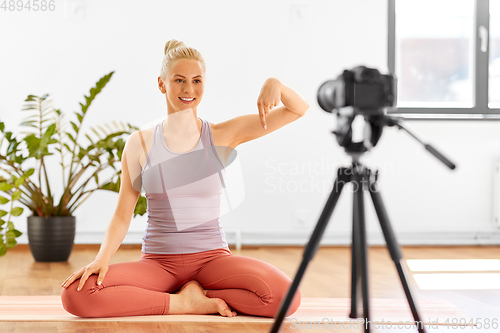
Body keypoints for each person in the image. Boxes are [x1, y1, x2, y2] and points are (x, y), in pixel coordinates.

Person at [60, 39, 309, 318]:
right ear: (161, 84)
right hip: (158, 264)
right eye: (179, 80)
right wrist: (101, 259)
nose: (189, 89)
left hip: (212, 260)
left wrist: (277, 84)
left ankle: (197, 293)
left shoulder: (221, 135)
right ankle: (182, 302)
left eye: (196, 80)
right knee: (76, 295)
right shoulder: (139, 143)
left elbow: (297, 109)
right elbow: (122, 214)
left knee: (288, 298)